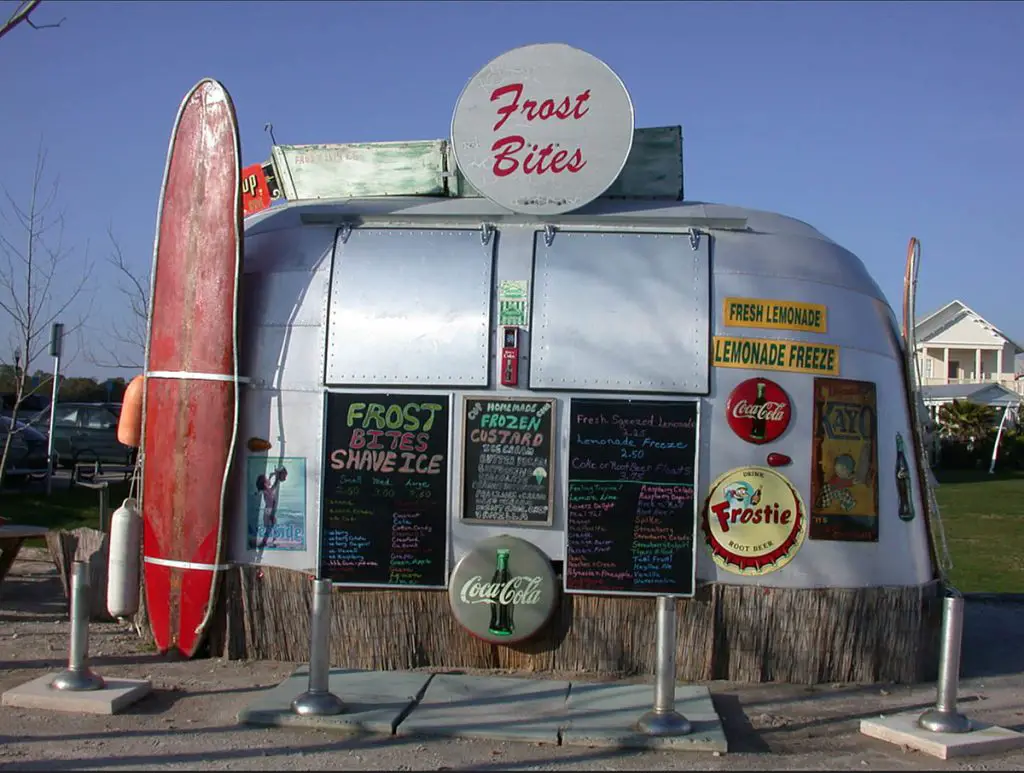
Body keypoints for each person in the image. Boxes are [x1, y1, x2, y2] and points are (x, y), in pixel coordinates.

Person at [255, 466, 288, 550]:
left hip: (269, 510)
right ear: (265, 483)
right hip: (269, 510)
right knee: (270, 526)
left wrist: (274, 475)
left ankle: (271, 541)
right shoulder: (266, 491)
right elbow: (272, 486)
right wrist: (275, 476)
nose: (268, 480)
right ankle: (265, 542)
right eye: (267, 480)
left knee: (272, 526)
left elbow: (274, 485)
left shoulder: (267, 490)